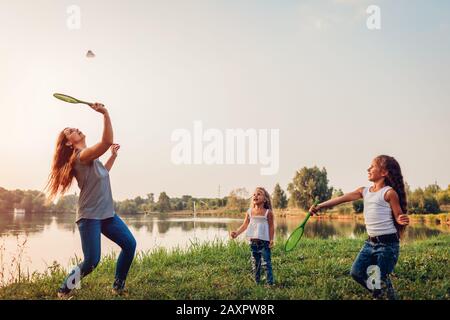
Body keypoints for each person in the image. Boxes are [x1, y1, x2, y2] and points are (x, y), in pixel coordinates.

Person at [46, 102, 136, 297]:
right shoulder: (80, 156)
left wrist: (112, 156)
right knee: (92, 261)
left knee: (129, 245)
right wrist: (105, 113)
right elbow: (105, 141)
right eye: (70, 131)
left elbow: (103, 172)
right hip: (89, 217)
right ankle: (64, 289)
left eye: (74, 127)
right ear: (69, 143)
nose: (75, 129)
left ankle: (118, 287)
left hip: (106, 214)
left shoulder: (91, 159)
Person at [310, 155, 409, 299]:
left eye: (372, 166)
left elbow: (398, 215)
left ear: (384, 172)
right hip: (370, 243)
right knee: (356, 272)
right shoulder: (364, 191)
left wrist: (401, 219)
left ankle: (382, 295)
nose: (368, 169)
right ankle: (380, 294)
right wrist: (319, 206)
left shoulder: (389, 193)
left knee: (380, 280)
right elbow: (340, 199)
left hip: (388, 245)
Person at [231, 187, 275, 285]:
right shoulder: (250, 211)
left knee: (266, 263)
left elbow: (271, 227)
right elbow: (245, 225)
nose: (255, 195)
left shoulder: (268, 213)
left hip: (264, 243)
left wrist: (271, 239)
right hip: (253, 243)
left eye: (259, 194)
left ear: (265, 199)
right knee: (255, 264)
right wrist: (236, 233)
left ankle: (270, 283)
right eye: (254, 194)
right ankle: (257, 282)